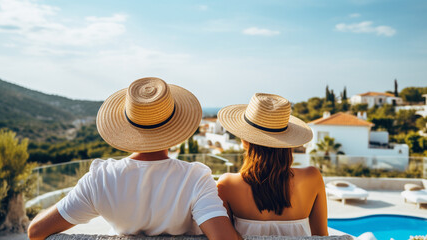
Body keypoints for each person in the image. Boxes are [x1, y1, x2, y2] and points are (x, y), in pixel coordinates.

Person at [28, 77, 241, 240]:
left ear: (127, 126)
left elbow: (36, 231)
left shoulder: (100, 179)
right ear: (174, 127)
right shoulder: (195, 178)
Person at [216, 93, 328, 236]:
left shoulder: (228, 184)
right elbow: (322, 236)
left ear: (245, 141)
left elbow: (225, 236)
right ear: (288, 141)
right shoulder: (312, 177)